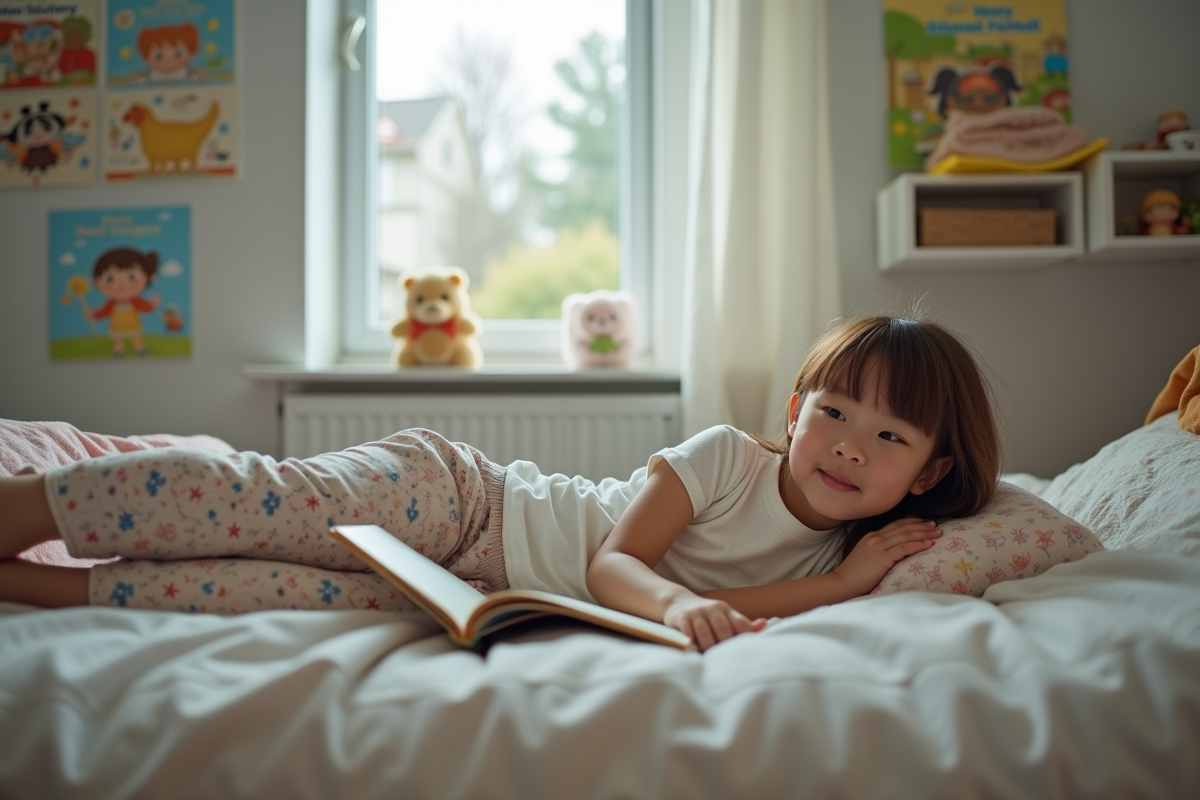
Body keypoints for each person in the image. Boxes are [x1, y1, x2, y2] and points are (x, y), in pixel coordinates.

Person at [0, 313, 1001, 651]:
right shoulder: (728, 458)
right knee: (258, 498)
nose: (848, 448)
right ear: (793, 411)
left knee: (253, 589)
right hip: (465, 499)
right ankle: (17, 509)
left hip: (478, 592)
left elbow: (711, 606)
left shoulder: (846, 550)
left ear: (934, 469)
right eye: (831, 411)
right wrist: (698, 607)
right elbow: (620, 565)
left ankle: (21, 582)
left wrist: (837, 583)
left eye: (888, 435)